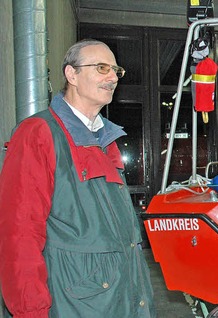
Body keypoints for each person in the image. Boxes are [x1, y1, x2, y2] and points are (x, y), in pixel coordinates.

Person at [0, 39, 156, 318]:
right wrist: (30, 311)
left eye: (115, 71)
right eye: (101, 68)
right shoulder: (38, 133)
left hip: (120, 299)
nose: (112, 77)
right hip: (76, 305)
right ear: (71, 74)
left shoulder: (105, 139)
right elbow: (19, 233)